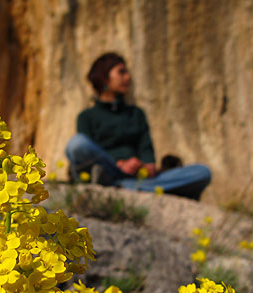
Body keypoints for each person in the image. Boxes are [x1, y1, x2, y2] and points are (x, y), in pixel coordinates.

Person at [65, 52, 212, 200]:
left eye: (127, 72)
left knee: (202, 172)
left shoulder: (136, 114)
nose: (128, 77)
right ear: (104, 77)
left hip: (137, 178)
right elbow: (85, 155)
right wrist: (119, 164)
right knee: (76, 144)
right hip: (107, 170)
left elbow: (147, 153)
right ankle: (126, 186)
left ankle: (123, 186)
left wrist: (144, 166)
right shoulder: (86, 117)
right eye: (121, 72)